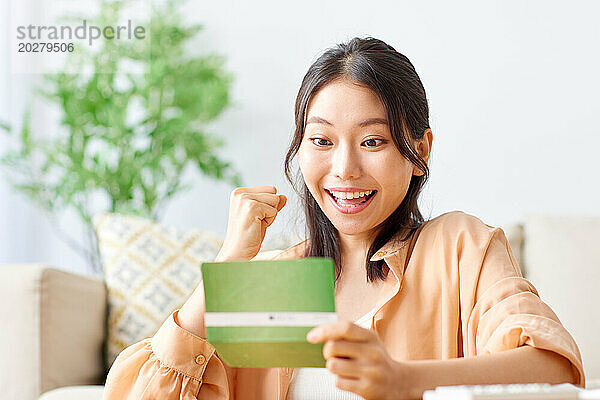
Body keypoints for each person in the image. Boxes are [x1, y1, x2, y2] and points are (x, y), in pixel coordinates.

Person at [102, 37, 584, 400]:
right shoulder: (273, 281)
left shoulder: (458, 246)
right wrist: (225, 270)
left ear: (419, 150)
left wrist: (405, 381)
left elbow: (553, 370)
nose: (345, 169)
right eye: (322, 140)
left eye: (372, 141)